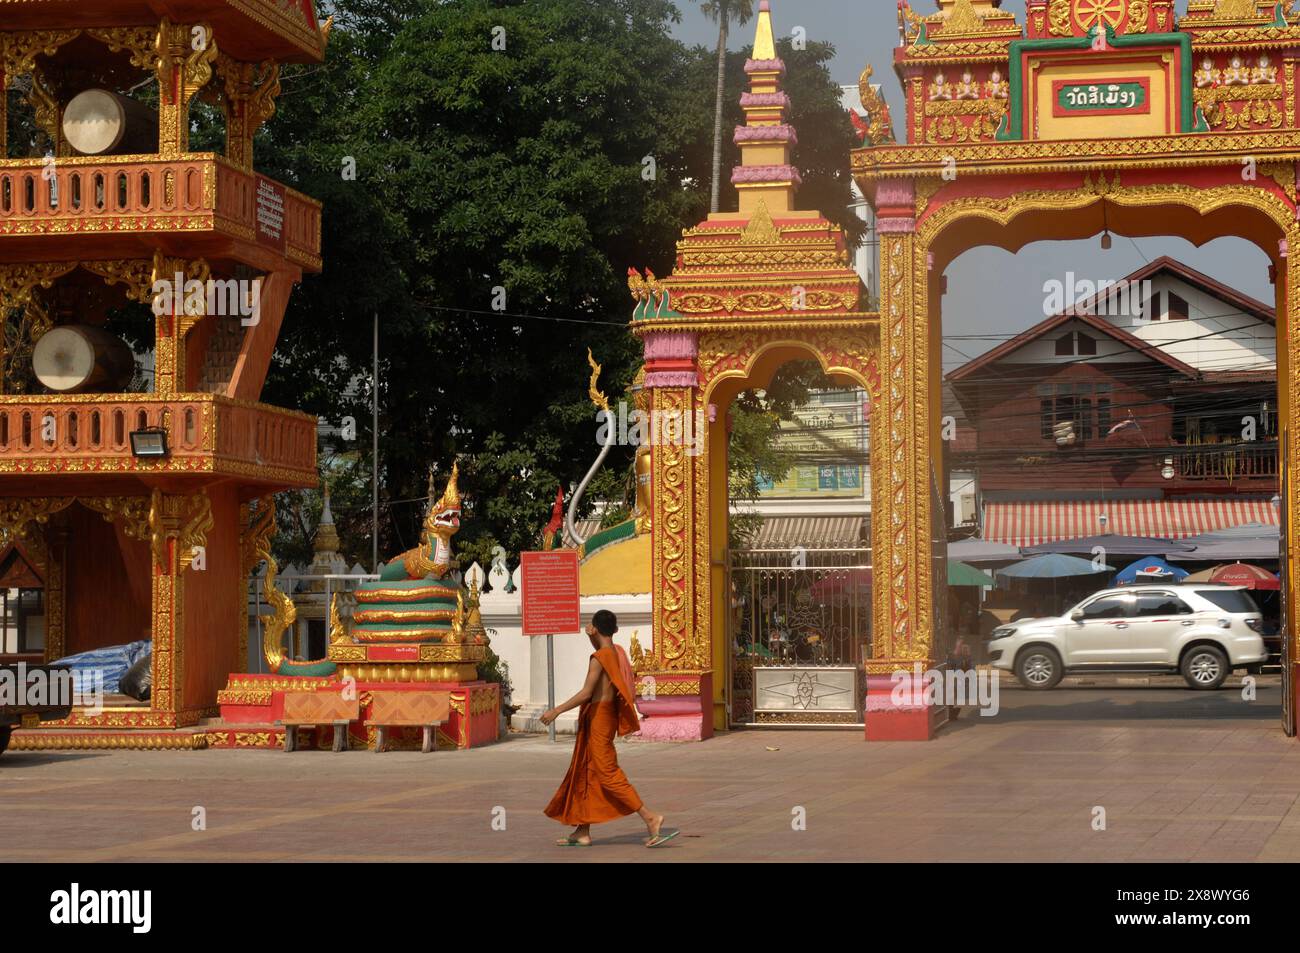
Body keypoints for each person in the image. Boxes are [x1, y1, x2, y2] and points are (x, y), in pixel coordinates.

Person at [540, 609, 678, 848]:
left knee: (607, 773)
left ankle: (650, 817)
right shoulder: (618, 652)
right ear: (614, 630)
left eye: (590, 626)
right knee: (586, 770)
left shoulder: (600, 657)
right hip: (604, 717)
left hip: (599, 719)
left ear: (594, 628)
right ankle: (582, 830)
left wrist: (556, 711)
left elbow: (586, 693)